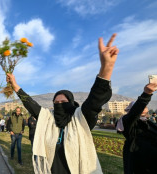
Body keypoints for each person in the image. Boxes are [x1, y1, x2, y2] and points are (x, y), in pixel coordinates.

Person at [7, 33, 119, 173]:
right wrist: (16, 86)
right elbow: (31, 104)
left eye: (63, 102)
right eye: (56, 102)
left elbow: (96, 98)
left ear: (71, 103)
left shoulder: (80, 118)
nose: (59, 105)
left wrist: (106, 68)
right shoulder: (48, 119)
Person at [118, 83, 157, 174]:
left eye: (145, 106)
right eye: (141, 106)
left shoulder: (148, 121)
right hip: (139, 165)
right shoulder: (128, 122)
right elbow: (134, 113)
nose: (144, 107)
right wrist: (146, 94)